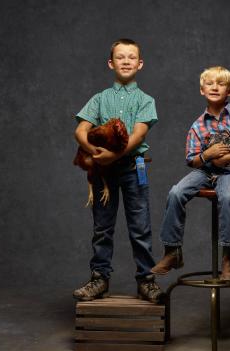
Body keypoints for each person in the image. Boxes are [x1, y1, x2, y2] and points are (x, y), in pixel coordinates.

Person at [73, 39, 164, 303]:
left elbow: (138, 134)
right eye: (120, 57)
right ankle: (99, 278)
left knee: (140, 225)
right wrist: (95, 153)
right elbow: (80, 130)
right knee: (102, 226)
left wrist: (115, 154)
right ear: (111, 63)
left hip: (133, 166)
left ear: (140, 63)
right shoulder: (99, 99)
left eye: (131, 57)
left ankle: (146, 280)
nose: (126, 61)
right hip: (104, 171)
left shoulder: (146, 100)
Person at [152, 66, 230, 281]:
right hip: (206, 170)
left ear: (229, 91)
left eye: (221, 84)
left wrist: (227, 158)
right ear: (202, 90)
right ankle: (172, 251)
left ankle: (229, 259)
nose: (215, 87)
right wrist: (208, 155)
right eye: (210, 83)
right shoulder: (197, 126)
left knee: (228, 197)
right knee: (176, 192)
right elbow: (191, 160)